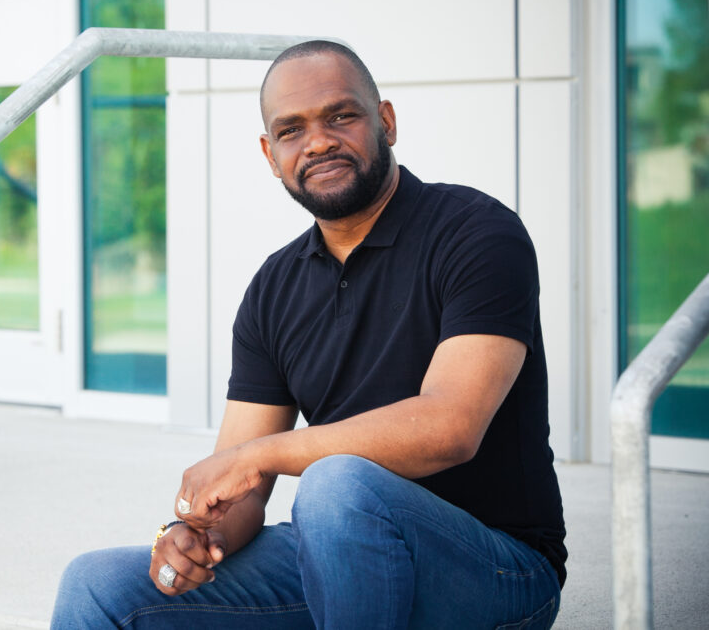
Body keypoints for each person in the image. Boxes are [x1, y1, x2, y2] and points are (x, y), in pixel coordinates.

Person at [51, 40, 567, 629]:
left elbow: (450, 428)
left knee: (336, 483)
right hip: (336, 557)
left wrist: (260, 455)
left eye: (341, 116)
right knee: (96, 586)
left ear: (387, 123)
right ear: (271, 156)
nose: (318, 141)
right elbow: (240, 485)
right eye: (291, 130)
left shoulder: (475, 232)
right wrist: (196, 534)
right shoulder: (274, 286)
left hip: (496, 570)